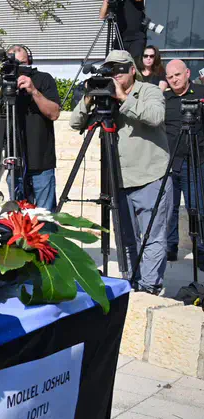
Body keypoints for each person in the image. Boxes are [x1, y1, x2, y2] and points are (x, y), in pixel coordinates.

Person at [70, 50, 171, 295]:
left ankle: (149, 287)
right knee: (126, 238)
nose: (116, 75)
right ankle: (131, 281)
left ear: (132, 70)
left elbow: (156, 116)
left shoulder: (149, 91)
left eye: (121, 70)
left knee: (152, 237)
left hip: (149, 175)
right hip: (118, 180)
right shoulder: (104, 95)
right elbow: (75, 123)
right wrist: (88, 98)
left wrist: (123, 96)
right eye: (111, 70)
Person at [5, 44, 61, 211]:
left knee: (45, 219)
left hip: (41, 161)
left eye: (21, 63)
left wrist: (33, 91)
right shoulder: (7, 81)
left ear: (28, 60)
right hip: (14, 162)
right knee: (16, 219)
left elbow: (55, 113)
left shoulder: (44, 79)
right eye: (14, 64)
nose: (19, 69)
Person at [163, 60, 204, 266]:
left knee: (197, 208)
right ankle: (171, 247)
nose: (174, 80)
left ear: (188, 73)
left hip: (195, 161)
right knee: (169, 209)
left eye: (177, 75)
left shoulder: (201, 93)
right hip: (169, 163)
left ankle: (201, 250)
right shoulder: (164, 98)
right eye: (170, 77)